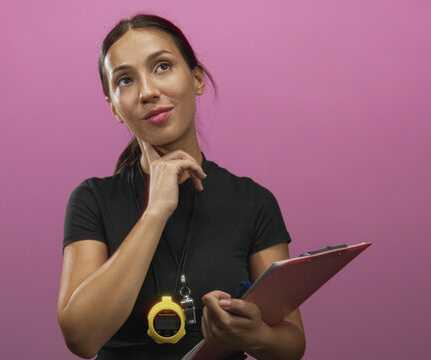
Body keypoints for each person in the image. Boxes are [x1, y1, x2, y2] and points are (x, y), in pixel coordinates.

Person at [57, 14, 306, 360]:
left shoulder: (253, 202)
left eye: (162, 67)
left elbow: (292, 344)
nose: (147, 92)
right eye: (126, 80)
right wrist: (155, 212)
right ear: (114, 107)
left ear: (197, 78)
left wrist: (256, 335)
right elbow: (81, 338)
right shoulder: (93, 200)